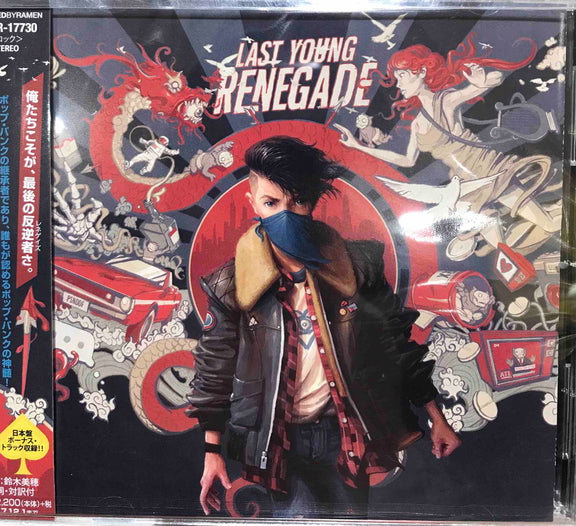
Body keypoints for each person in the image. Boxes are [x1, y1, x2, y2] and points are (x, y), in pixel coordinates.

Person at [186, 136, 461, 518]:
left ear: (313, 202)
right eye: (271, 203)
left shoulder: (358, 267)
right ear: (253, 203)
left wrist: (436, 417)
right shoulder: (230, 285)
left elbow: (395, 344)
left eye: (297, 201)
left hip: (344, 435)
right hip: (278, 439)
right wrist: (212, 452)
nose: (285, 214)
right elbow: (215, 369)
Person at [334, 33, 560, 259]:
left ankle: (558, 227)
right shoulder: (418, 123)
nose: (399, 83)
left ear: (421, 72)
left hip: (486, 168)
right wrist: (358, 146)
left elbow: (493, 80)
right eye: (397, 77)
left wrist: (480, 82)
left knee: (548, 225)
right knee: (504, 251)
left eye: (402, 75)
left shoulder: (444, 100)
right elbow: (407, 161)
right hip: (464, 183)